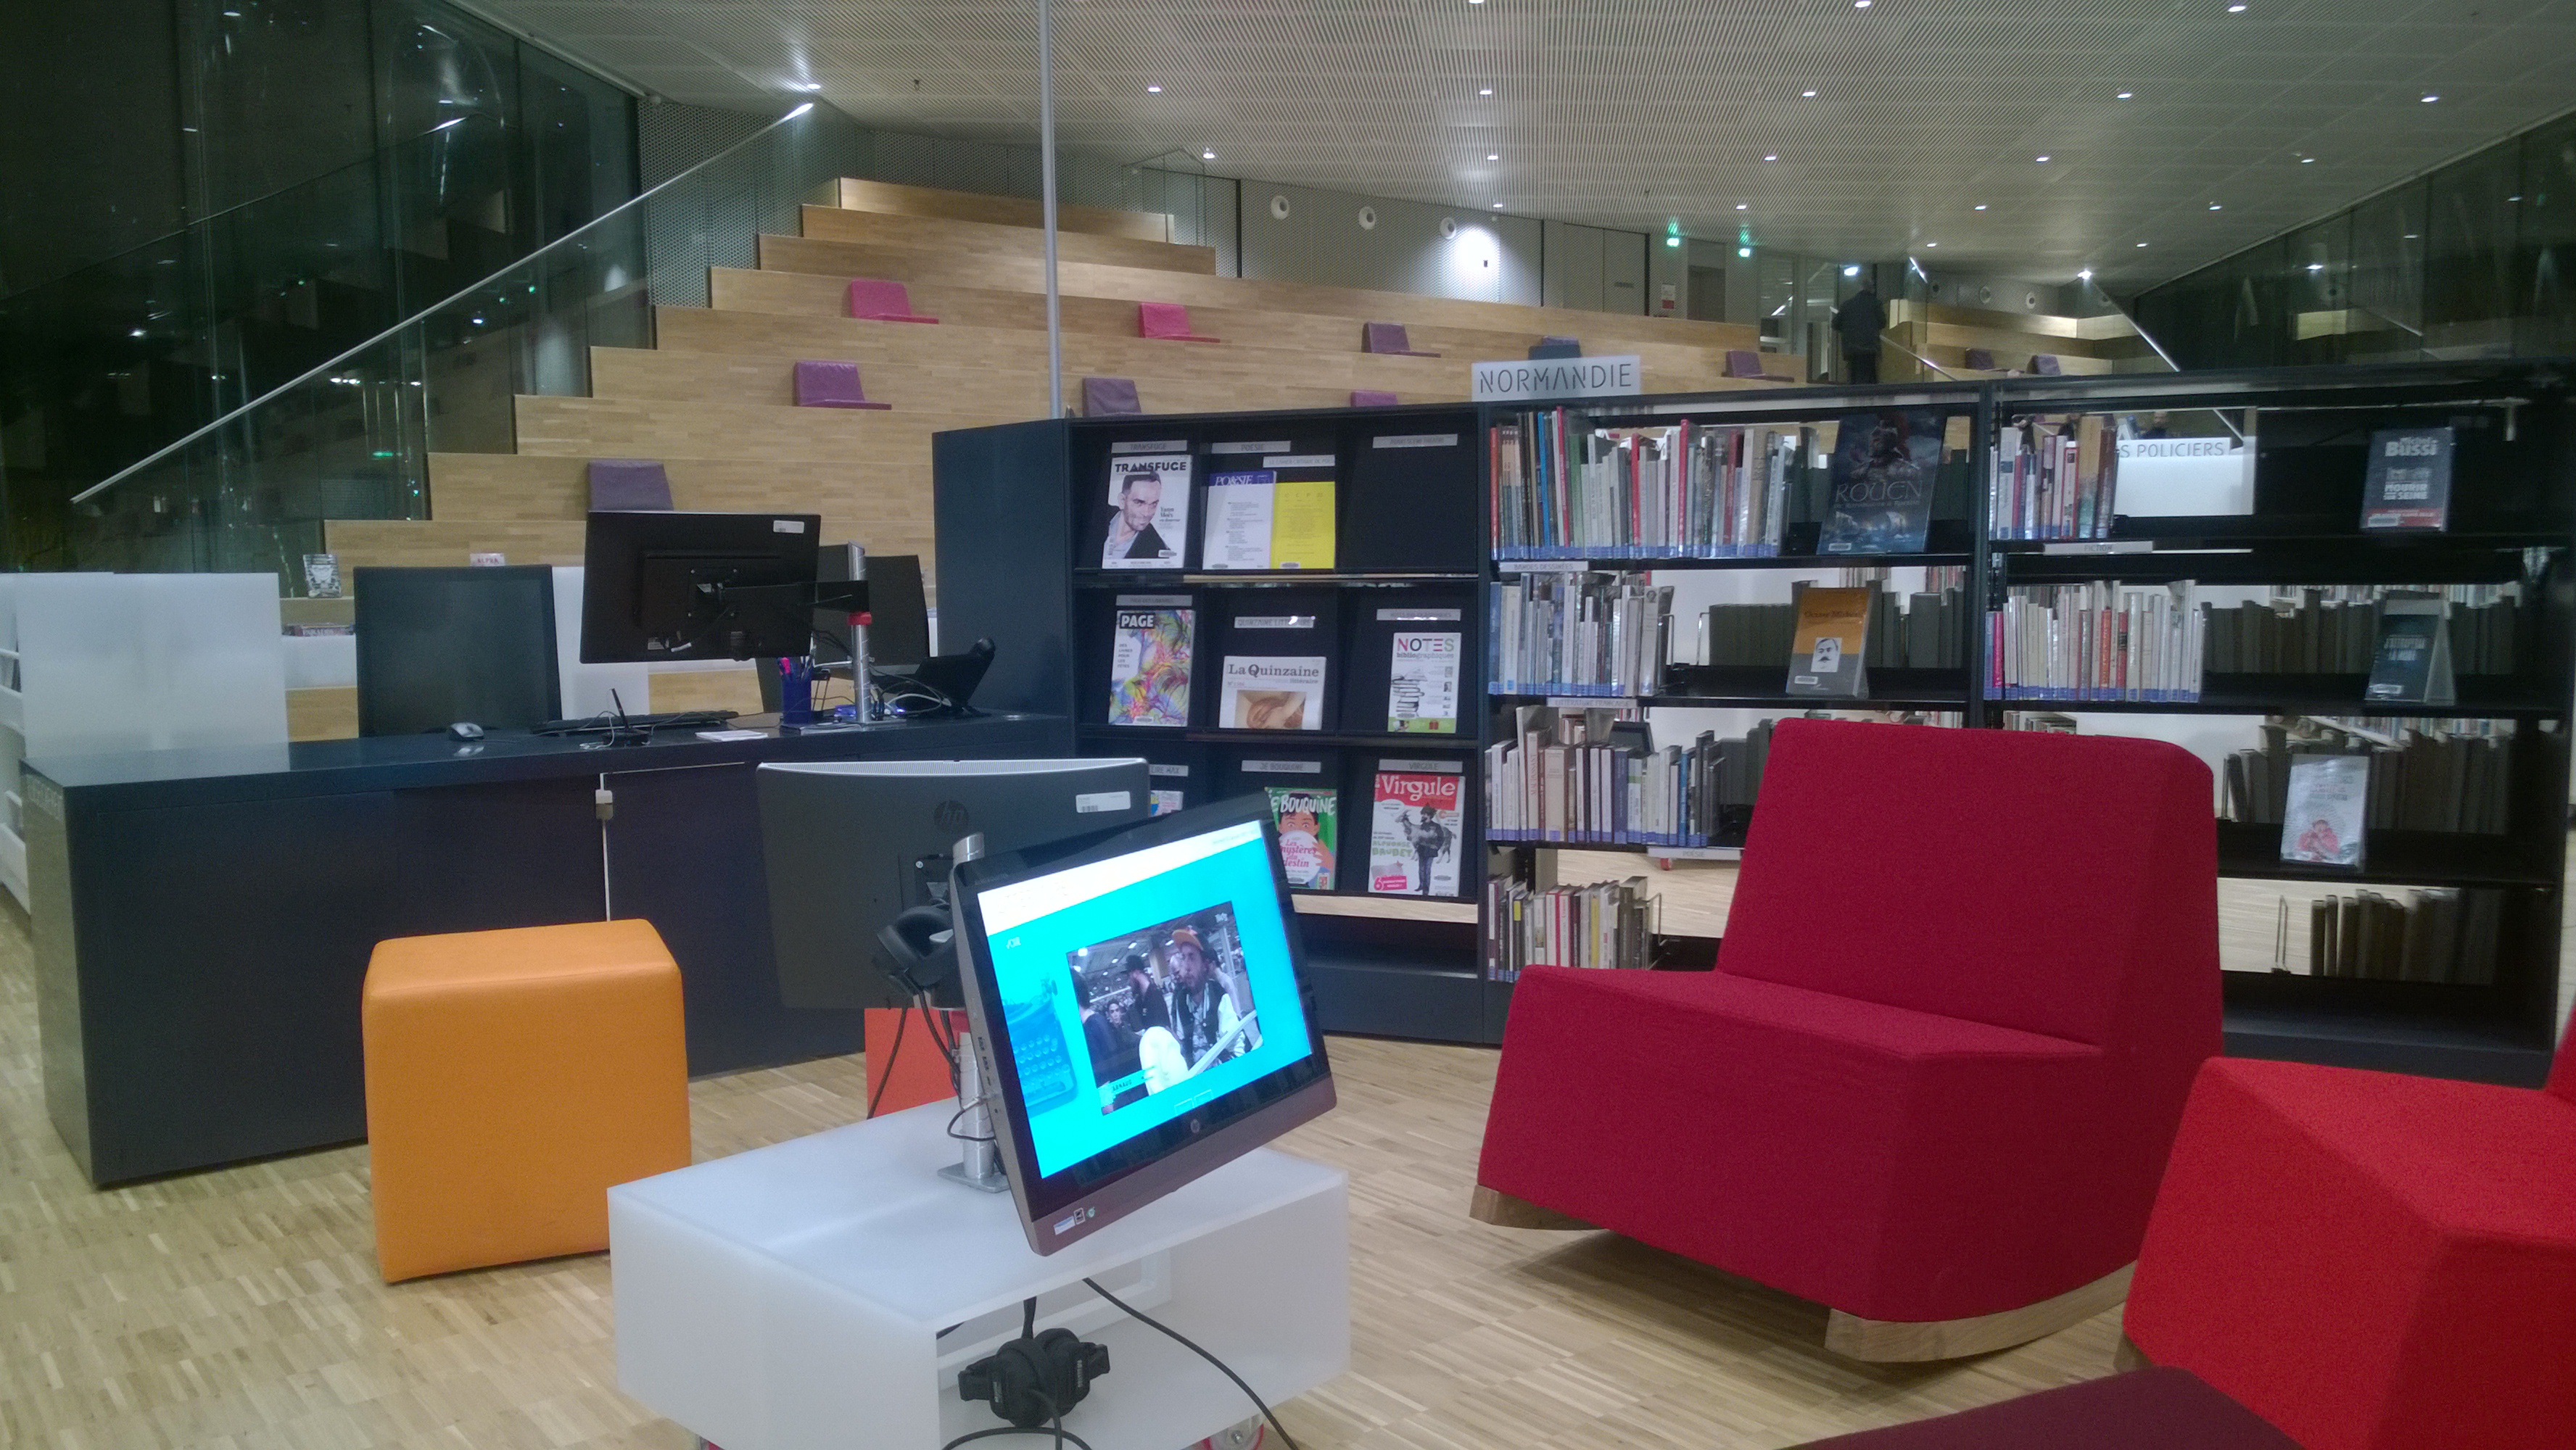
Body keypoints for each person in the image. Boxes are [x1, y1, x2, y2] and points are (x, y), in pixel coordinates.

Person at [1163, 927, 1244, 1070]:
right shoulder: (1181, 999)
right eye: (1184, 957)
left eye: (1192, 957)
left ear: (1205, 964)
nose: (1186, 966)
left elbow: (1236, 1046)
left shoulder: (1218, 994)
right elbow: (1184, 1044)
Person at [1101, 472, 1170, 564]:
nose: (1146, 513)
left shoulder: (1157, 550)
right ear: (1122, 501)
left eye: (1154, 504)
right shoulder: (1099, 512)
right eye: (1139, 502)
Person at [1834, 279, 1885, 386]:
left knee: (1854, 379)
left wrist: (1848, 330)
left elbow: (1835, 324)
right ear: (1872, 290)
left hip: (1852, 348)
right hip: (1870, 348)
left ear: (1860, 288)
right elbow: (1882, 323)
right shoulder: (1876, 304)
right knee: (1870, 381)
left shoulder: (1847, 305)